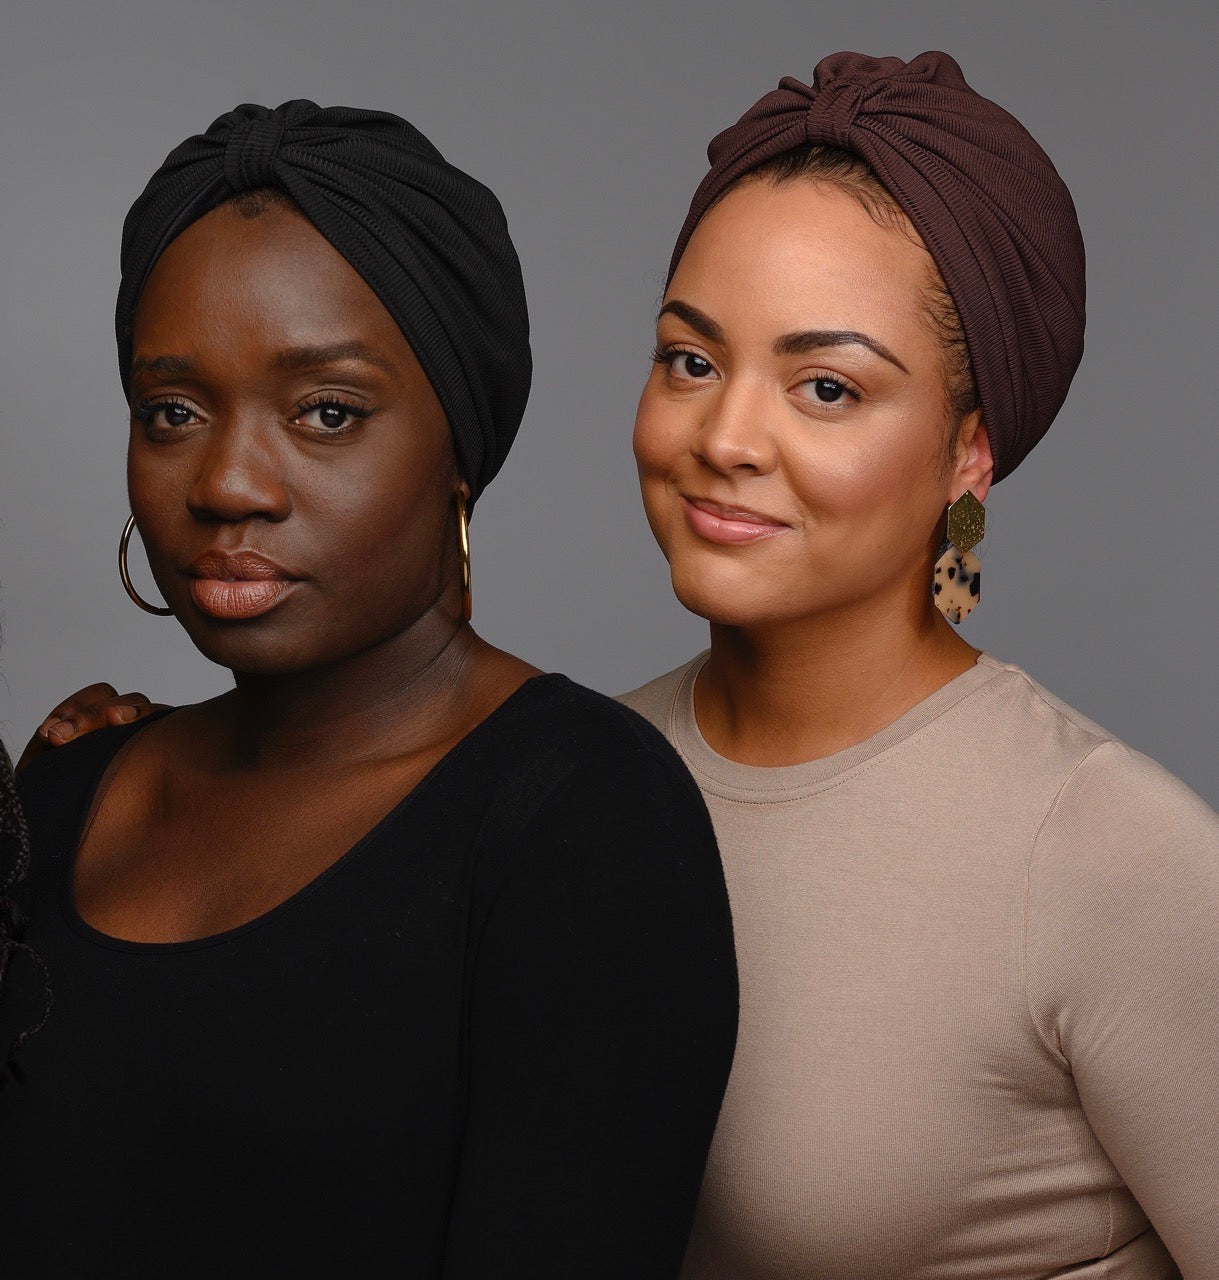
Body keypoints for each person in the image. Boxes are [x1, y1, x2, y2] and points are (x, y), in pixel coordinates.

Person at [0, 101, 737, 1278]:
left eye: (326, 411)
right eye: (172, 412)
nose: (228, 482)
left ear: (460, 444)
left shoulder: (583, 820)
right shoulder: (62, 792)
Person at [620, 51, 1219, 1278]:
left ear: (970, 451)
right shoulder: (572, 774)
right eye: (691, 359)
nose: (725, 437)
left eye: (825, 386)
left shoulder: (1104, 847)